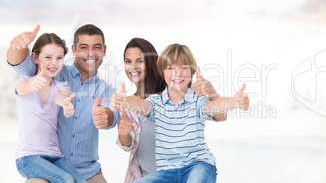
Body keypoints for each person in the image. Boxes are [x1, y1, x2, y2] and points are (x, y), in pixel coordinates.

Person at [118, 43, 249, 183]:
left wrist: (235, 101)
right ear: (162, 72)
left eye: (184, 68)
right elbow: (141, 104)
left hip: (198, 165)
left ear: (192, 72)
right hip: (168, 172)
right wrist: (122, 100)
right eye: (170, 68)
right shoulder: (156, 102)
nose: (177, 73)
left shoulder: (197, 101)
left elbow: (215, 107)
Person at [7, 24, 119, 183]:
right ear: (73, 50)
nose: (90, 53)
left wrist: (105, 116)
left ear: (104, 51)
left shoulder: (107, 90)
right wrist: (18, 46)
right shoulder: (54, 71)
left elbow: (113, 115)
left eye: (97, 47)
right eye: (83, 47)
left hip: (88, 172)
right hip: (44, 167)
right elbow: (21, 65)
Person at [14, 32, 85, 183]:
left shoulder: (60, 87)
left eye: (59, 58)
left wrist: (67, 107)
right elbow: (22, 89)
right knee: (66, 179)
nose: (54, 63)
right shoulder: (24, 81)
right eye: (48, 57)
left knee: (80, 181)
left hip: (55, 156)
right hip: (28, 157)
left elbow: (60, 99)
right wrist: (31, 85)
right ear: (35, 58)